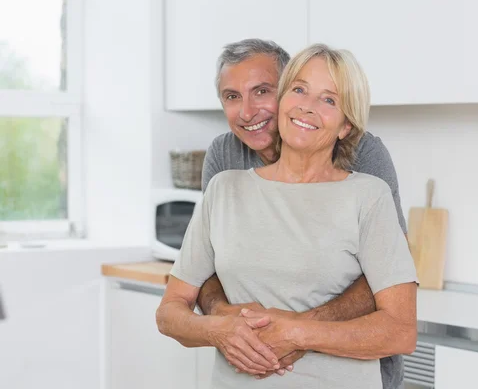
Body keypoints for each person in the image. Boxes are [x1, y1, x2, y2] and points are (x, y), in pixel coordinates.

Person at [156, 43, 418, 389]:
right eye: (300, 90)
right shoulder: (224, 183)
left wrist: (295, 332)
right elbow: (172, 308)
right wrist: (221, 327)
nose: (307, 107)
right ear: (286, 99)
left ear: (346, 126)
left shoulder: (368, 192)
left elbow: (400, 328)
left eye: (329, 100)